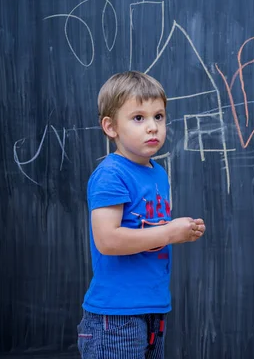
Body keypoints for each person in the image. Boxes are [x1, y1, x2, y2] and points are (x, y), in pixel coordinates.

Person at [77, 70, 206, 358]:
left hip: (151, 308)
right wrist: (171, 232)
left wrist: (180, 231)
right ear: (111, 127)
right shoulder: (111, 174)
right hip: (115, 317)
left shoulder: (157, 173)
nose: (153, 127)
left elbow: (149, 228)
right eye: (139, 118)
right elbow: (107, 240)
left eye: (158, 117)